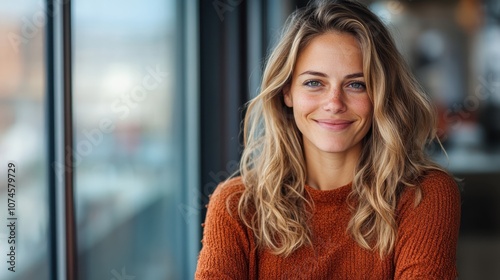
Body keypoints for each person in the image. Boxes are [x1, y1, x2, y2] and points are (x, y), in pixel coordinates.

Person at [195, 0, 461, 279]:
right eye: (314, 83)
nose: (334, 103)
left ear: (381, 95)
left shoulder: (423, 195)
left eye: (356, 84)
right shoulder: (236, 205)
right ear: (287, 92)